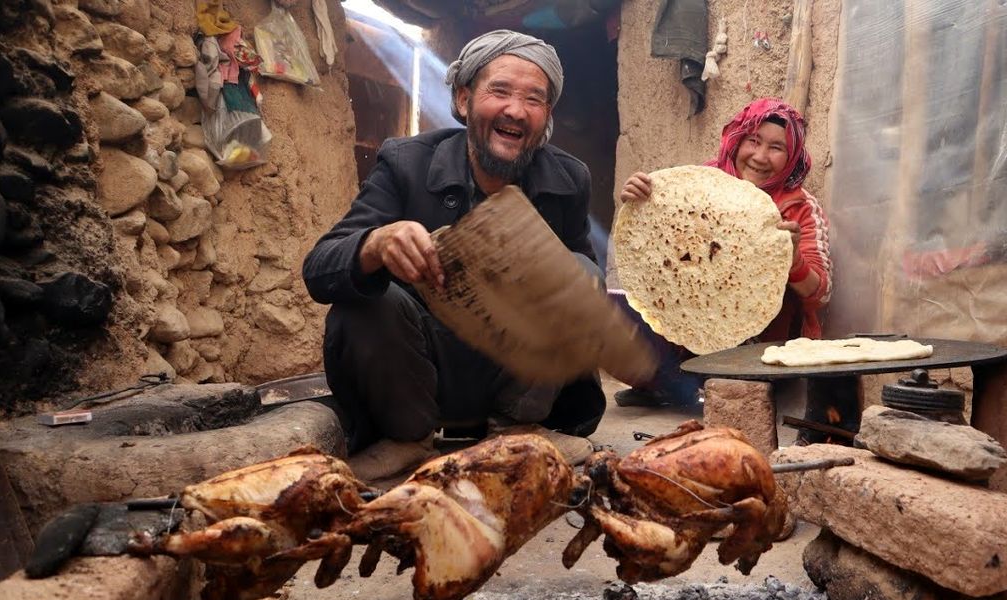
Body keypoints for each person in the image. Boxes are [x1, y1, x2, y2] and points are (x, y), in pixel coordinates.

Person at [302, 30, 604, 468]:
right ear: (464, 100)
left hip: (513, 373)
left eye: (533, 100)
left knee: (581, 275)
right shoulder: (406, 163)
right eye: (499, 91)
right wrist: (375, 244)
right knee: (365, 296)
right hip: (420, 370)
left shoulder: (568, 179)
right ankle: (407, 439)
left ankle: (516, 431)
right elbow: (319, 269)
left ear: (546, 115)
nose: (515, 111)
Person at [613, 97, 832, 407]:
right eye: (753, 141)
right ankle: (672, 383)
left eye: (776, 148)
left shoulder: (799, 208)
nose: (760, 156)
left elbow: (820, 295)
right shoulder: (698, 184)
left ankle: (697, 386)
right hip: (685, 326)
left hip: (761, 345)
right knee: (619, 311)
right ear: (736, 140)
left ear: (792, 156)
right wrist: (639, 201)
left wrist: (792, 260)